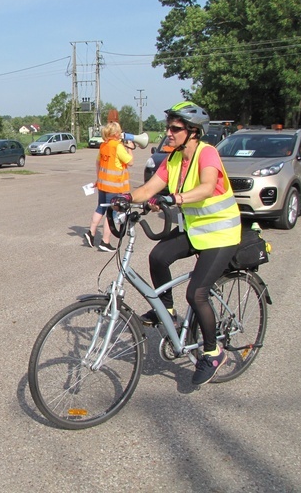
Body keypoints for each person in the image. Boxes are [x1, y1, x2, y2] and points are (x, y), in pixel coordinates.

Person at [111, 101, 241, 386]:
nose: (168, 133)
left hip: (221, 235)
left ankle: (213, 352)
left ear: (193, 132)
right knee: (158, 257)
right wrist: (125, 199)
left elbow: (207, 187)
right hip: (196, 231)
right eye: (168, 127)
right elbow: (148, 188)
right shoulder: (173, 159)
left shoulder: (207, 154)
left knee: (196, 294)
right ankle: (166, 311)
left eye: (175, 128)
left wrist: (175, 198)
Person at [84, 121, 133, 252]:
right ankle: (105, 242)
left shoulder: (104, 145)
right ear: (117, 133)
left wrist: (99, 178)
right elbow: (130, 161)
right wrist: (130, 148)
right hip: (115, 186)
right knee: (112, 213)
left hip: (103, 184)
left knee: (100, 208)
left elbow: (97, 163)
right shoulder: (118, 147)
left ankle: (91, 233)